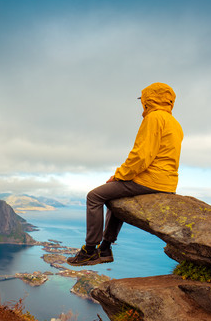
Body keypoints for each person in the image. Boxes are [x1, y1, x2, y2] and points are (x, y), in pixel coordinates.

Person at [67, 82, 183, 266]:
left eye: (143, 100)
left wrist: (119, 175)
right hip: (167, 183)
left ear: (149, 99)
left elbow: (142, 155)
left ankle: (90, 251)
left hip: (150, 180)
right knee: (116, 196)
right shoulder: (175, 123)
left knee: (94, 196)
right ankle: (105, 248)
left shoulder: (154, 118)